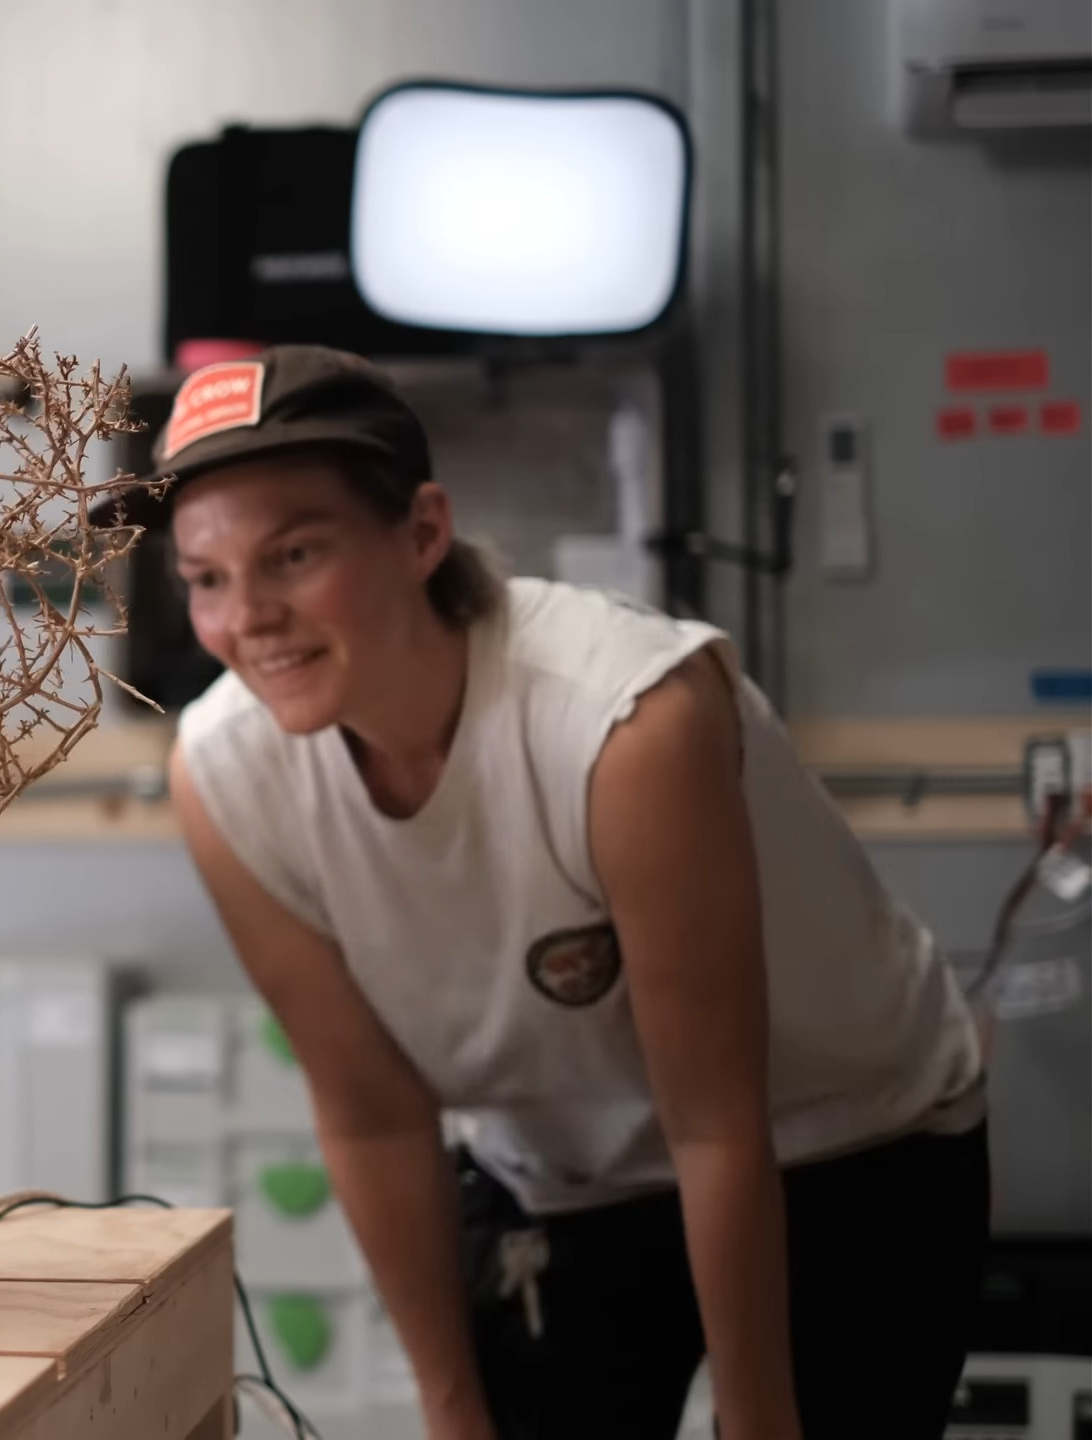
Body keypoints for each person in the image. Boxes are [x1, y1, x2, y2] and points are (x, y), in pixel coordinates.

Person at [131, 346, 987, 1440]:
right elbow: (376, 1116)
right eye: (206, 577)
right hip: (566, 1168)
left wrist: (758, 1415)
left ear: (422, 533)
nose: (245, 616)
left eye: (293, 553)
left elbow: (716, 1121)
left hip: (842, 1136)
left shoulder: (621, 723)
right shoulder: (225, 776)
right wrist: (452, 1413)